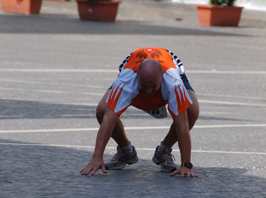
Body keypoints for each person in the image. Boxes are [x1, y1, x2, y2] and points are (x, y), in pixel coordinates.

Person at [80, 47, 199, 177]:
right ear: (137, 78)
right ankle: (126, 151)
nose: (148, 92)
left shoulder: (173, 84)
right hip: (133, 67)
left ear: (161, 79)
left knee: (191, 111)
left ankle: (164, 150)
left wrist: (186, 164)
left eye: (153, 87)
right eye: (144, 86)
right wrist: (97, 157)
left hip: (168, 64)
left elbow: (182, 126)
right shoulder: (126, 81)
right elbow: (109, 118)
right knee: (102, 111)